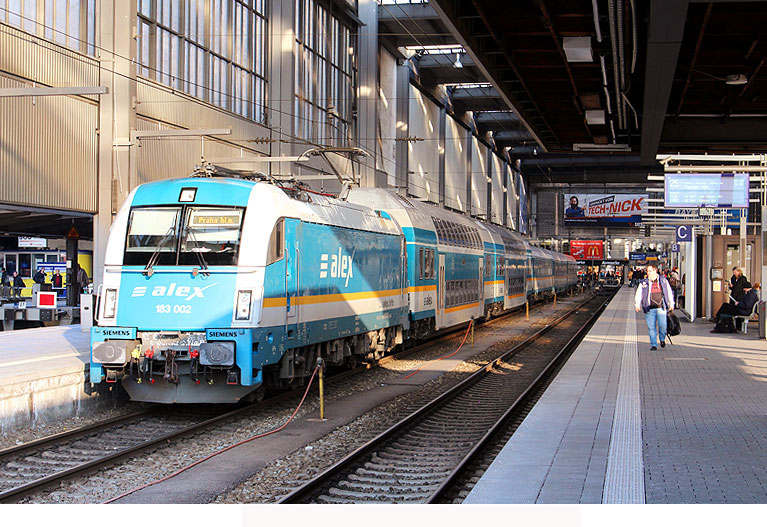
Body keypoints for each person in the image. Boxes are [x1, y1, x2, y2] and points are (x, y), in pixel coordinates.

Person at [635, 264, 675, 350]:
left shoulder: (663, 281)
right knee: (651, 327)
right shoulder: (644, 282)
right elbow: (639, 294)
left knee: (662, 325)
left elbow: (669, 292)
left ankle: (662, 339)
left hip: (661, 307)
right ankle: (653, 344)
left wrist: (671, 304)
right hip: (649, 308)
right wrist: (637, 304)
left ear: (654, 271)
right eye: (647, 271)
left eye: (650, 271)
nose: (648, 273)